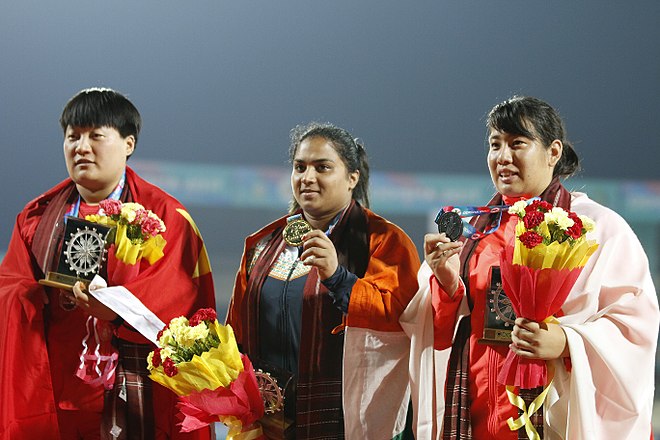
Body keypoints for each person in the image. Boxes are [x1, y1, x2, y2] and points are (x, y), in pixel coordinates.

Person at [403, 96, 659, 439]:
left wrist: (567, 341)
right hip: (471, 415)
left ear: (553, 152)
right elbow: (429, 330)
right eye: (495, 145)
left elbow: (634, 326)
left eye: (517, 143)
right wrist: (447, 286)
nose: (503, 157)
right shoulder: (469, 231)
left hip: (550, 418)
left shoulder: (597, 227)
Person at [0, 88, 216, 439]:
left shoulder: (165, 218)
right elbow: (9, 284)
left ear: (128, 144)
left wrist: (116, 307)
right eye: (73, 137)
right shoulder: (35, 218)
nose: (81, 147)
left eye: (96, 136)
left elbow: (181, 298)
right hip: (56, 390)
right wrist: (30, 294)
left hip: (135, 391)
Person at [226, 122, 420, 439]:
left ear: (352, 178)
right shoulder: (262, 244)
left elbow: (402, 322)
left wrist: (338, 276)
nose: (308, 178)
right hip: (268, 422)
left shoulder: (384, 241)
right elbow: (236, 331)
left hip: (349, 422)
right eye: (300, 167)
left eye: (323, 167)